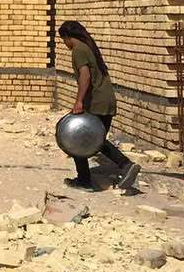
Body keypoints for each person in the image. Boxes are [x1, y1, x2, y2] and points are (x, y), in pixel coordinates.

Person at [58, 20, 140, 192]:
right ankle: (124, 166)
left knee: (78, 138)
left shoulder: (78, 50)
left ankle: (87, 179)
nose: (65, 44)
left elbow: (85, 76)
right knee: (95, 140)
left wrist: (79, 101)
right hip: (105, 99)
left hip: (96, 101)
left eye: (63, 40)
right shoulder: (89, 47)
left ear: (68, 37)